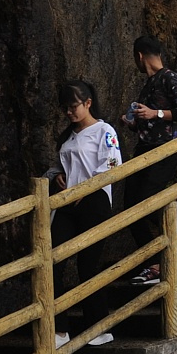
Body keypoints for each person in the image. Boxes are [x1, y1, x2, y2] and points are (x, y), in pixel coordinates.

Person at [125, 37, 177, 287]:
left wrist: (156, 113)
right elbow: (150, 121)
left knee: (146, 199)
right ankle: (154, 265)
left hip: (165, 149)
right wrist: (134, 121)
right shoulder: (149, 84)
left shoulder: (169, 77)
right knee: (130, 209)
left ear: (140, 55)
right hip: (145, 148)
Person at [54, 80, 122, 286]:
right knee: (52, 260)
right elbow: (66, 163)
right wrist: (58, 173)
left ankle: (96, 317)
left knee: (87, 266)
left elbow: (112, 163)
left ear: (88, 103)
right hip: (68, 201)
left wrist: (86, 189)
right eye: (65, 108)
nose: (69, 112)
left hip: (94, 200)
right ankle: (56, 318)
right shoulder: (68, 137)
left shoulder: (104, 131)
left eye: (73, 107)